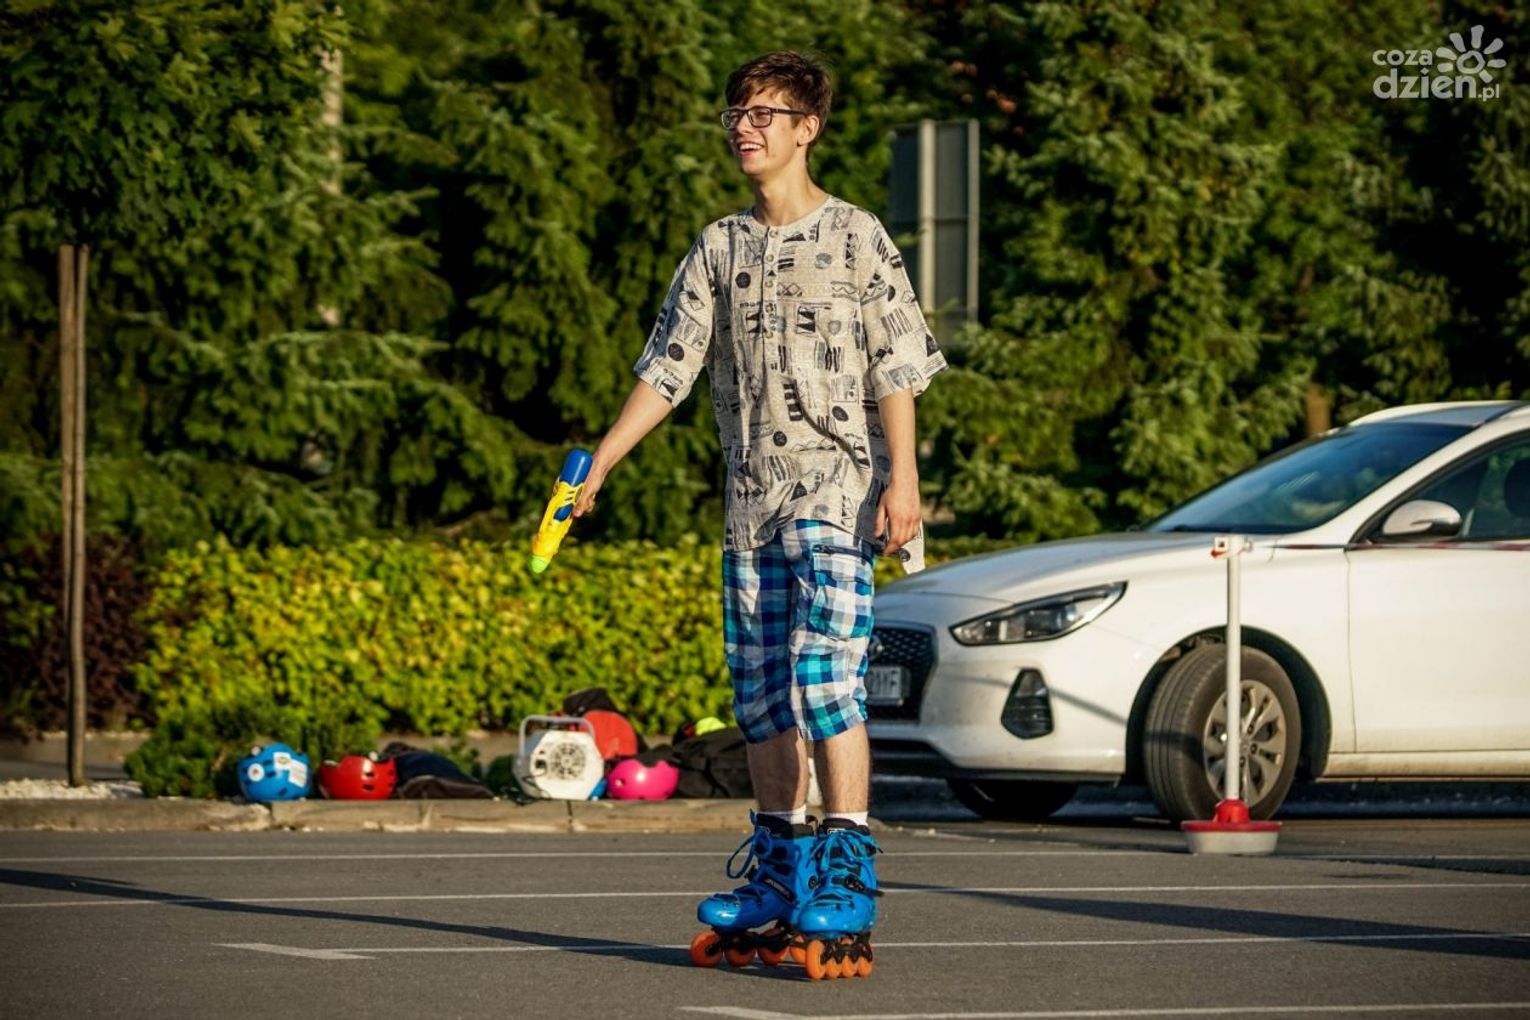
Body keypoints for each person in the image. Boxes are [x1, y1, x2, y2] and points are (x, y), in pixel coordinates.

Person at [572, 50, 946, 979]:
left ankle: (846, 867)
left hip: (839, 488)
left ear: (806, 129)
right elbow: (668, 367)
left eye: (764, 114)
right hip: (750, 504)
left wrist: (903, 481)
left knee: (823, 675)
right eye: (736, 113)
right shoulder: (720, 248)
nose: (745, 127)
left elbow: (897, 366)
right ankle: (780, 869)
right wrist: (601, 463)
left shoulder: (856, 236)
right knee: (761, 693)